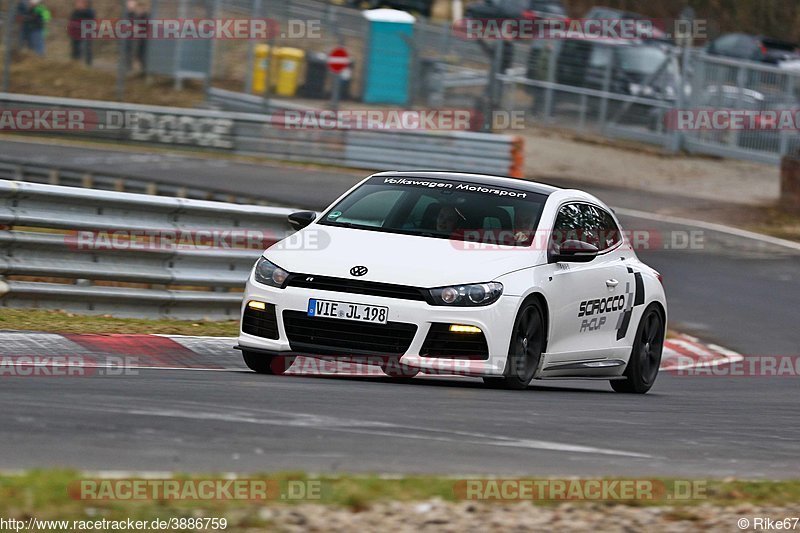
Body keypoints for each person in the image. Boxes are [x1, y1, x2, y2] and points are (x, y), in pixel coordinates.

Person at [124, 0, 149, 72]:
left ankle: (144, 69)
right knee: (137, 53)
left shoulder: (143, 16)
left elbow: (143, 27)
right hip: (137, 37)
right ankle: (135, 67)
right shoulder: (135, 15)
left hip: (142, 38)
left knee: (141, 54)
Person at [69, 0, 95, 65]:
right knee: (75, 50)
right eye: (77, 2)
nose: (77, 4)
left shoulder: (89, 12)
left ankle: (87, 65)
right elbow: (71, 21)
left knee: (85, 50)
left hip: (85, 35)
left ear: (85, 3)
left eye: (80, 2)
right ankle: (75, 64)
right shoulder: (75, 12)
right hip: (75, 35)